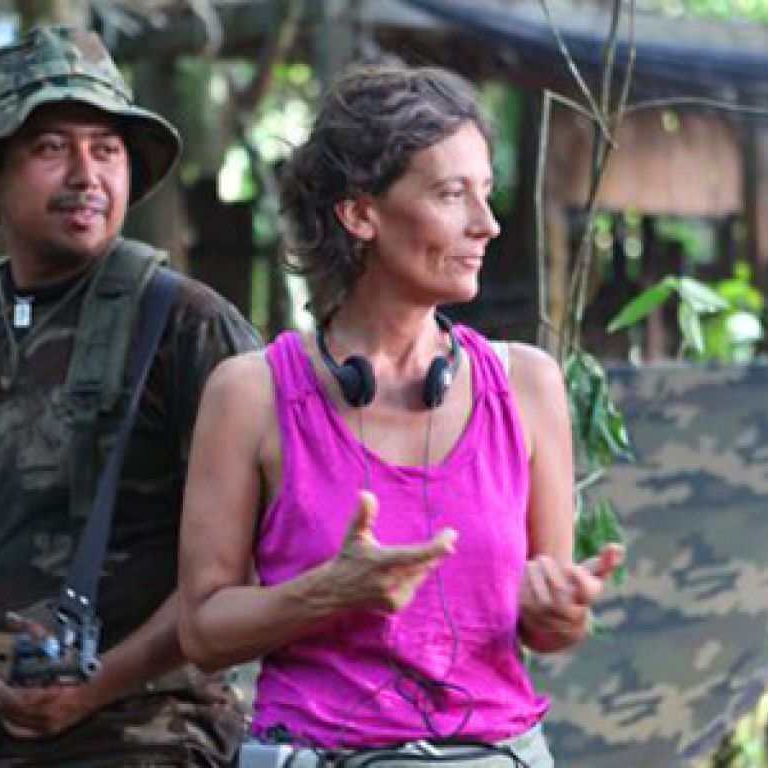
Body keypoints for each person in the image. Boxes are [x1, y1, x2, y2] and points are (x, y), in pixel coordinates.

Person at [177, 64, 622, 766]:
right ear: (360, 214)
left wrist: (557, 607)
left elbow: (549, 626)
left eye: (485, 190)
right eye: (452, 194)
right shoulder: (249, 394)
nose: (488, 222)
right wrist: (326, 593)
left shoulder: (528, 384)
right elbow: (201, 633)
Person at [0, 26, 258, 767]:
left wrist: (96, 685)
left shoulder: (184, 324)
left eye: (105, 149)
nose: (86, 174)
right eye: (51, 148)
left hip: (146, 733)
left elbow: (255, 557)